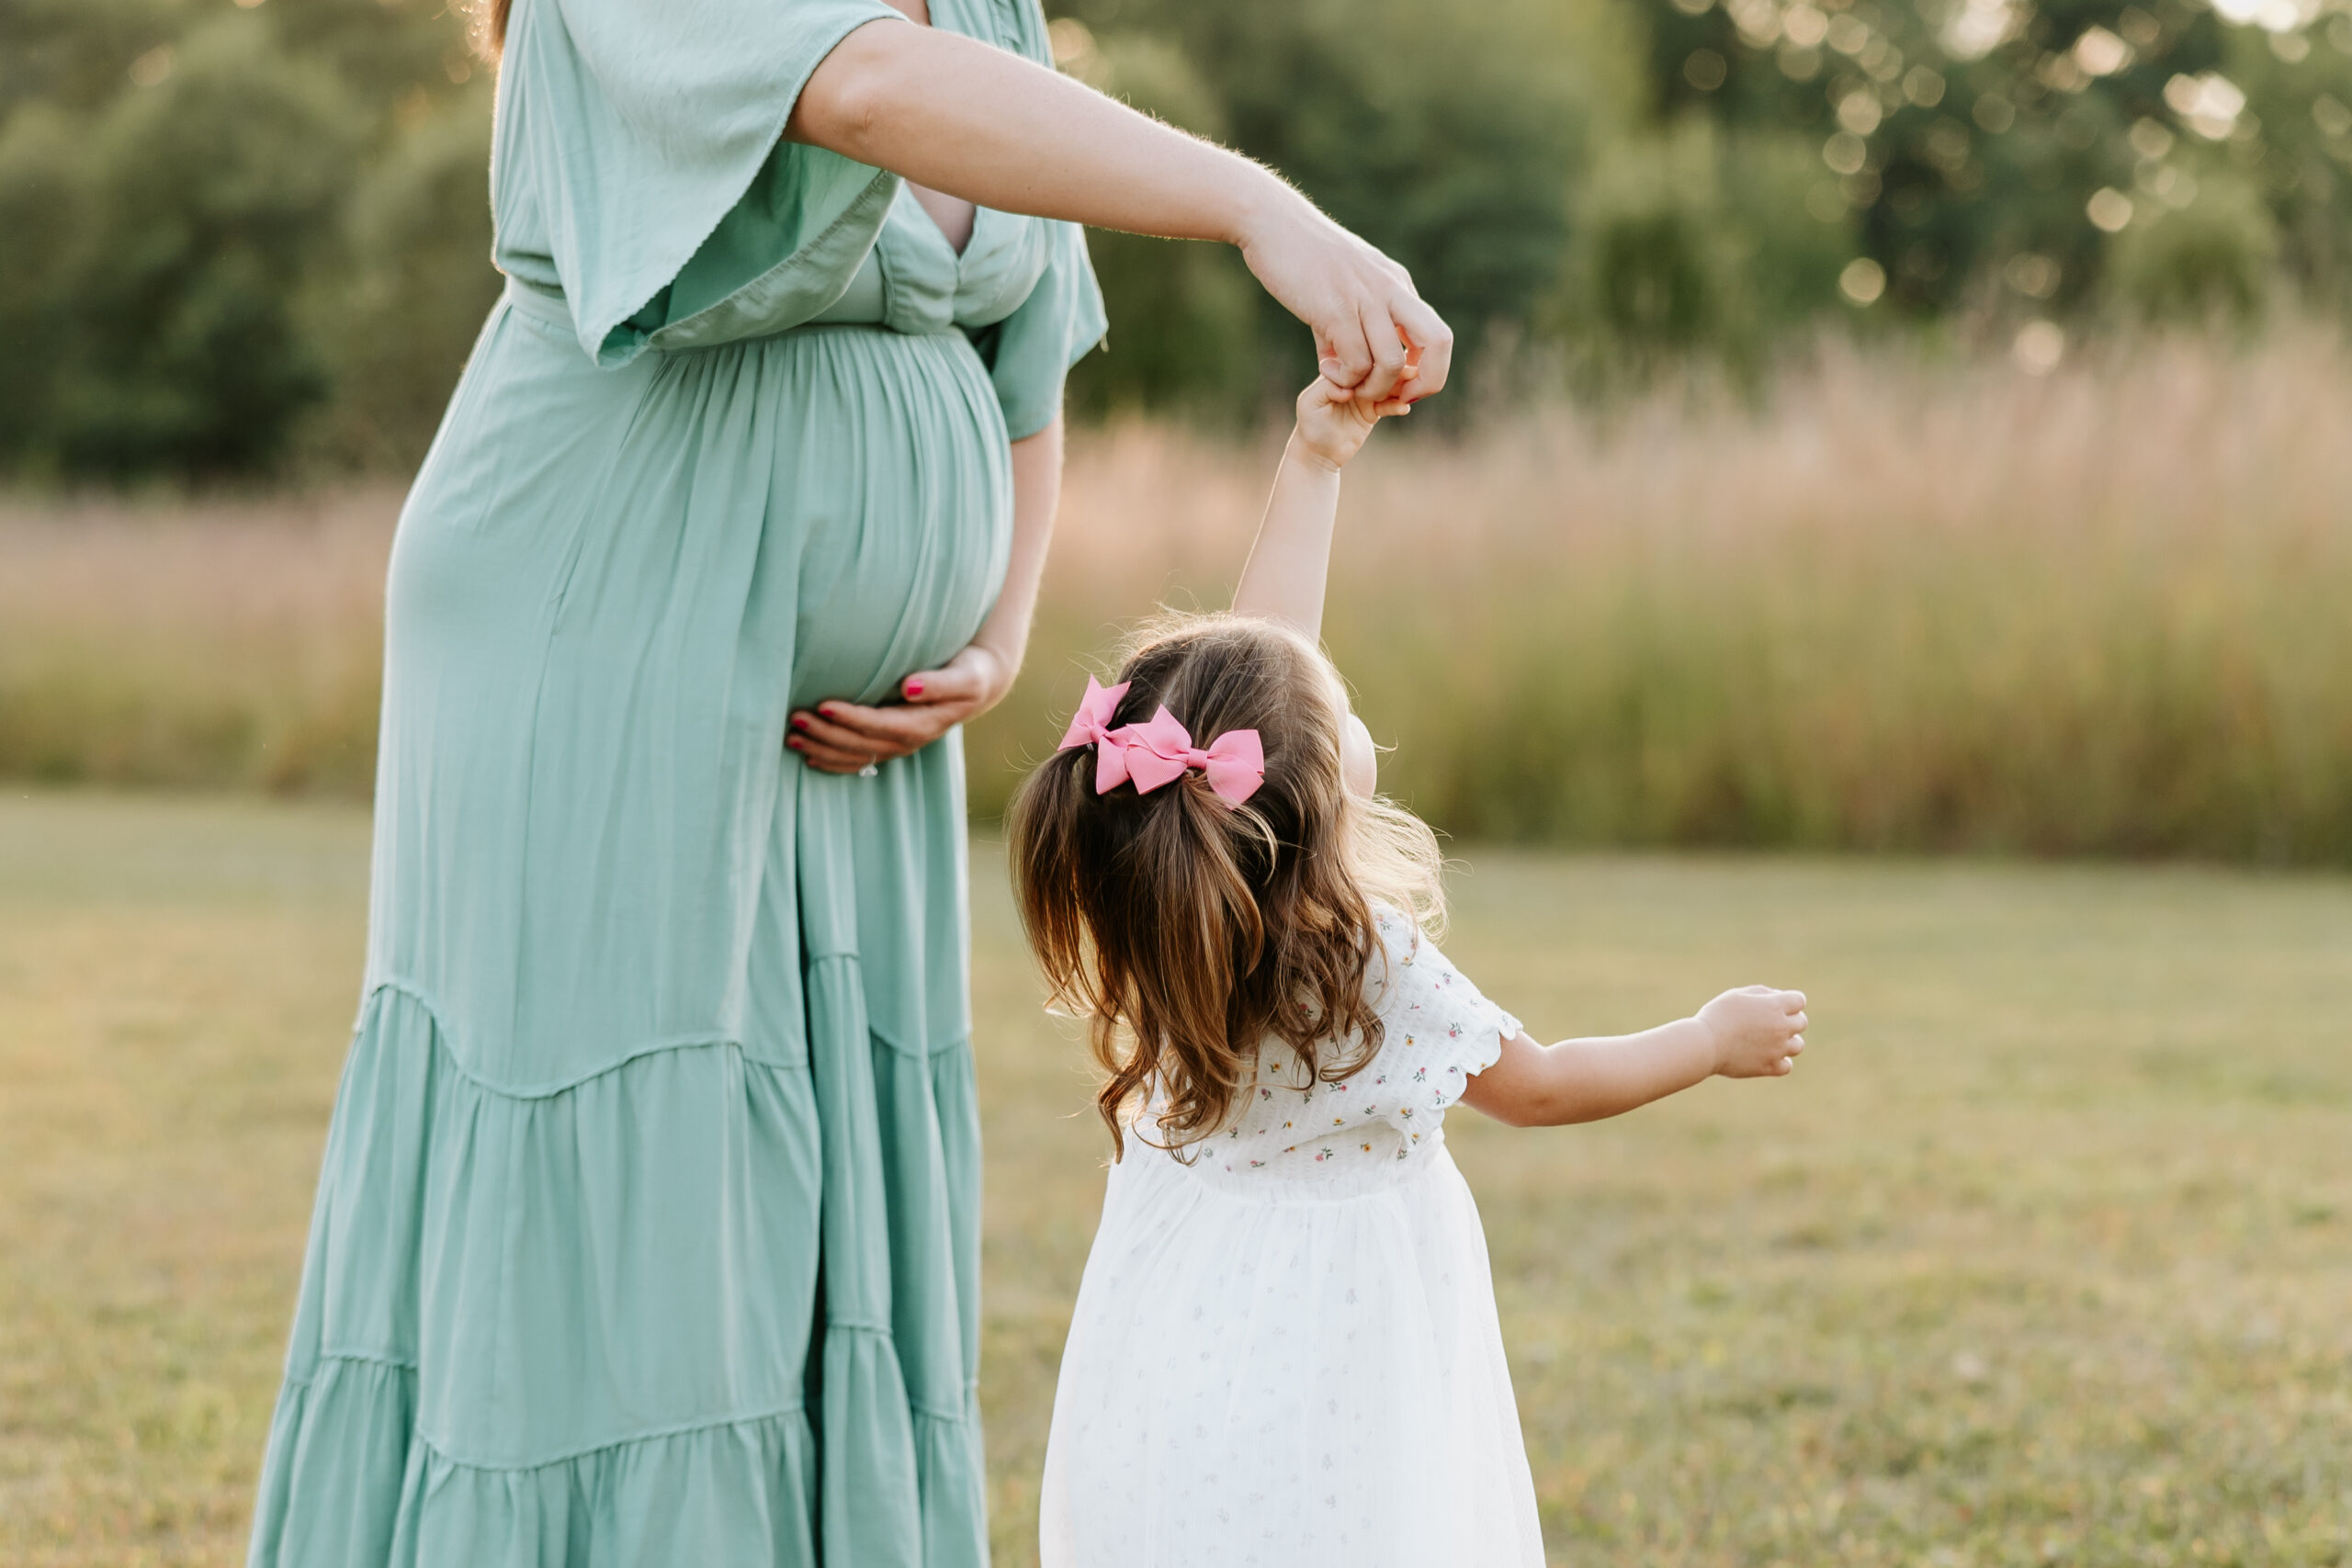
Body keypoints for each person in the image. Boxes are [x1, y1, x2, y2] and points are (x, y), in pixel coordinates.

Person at [243, 0, 1454, 1562]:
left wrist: (1001, 627)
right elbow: (867, 90)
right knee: (644, 1176)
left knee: (820, 1181)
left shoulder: (991, 8)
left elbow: (1020, 356)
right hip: (602, 613)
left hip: (861, 725)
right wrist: (1260, 207)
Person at [1007, 372, 1813, 1567]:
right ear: (1315, 782)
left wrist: (1315, 460)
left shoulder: (1178, 915)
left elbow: (1262, 666)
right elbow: (1536, 1087)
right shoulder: (1357, 962)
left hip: (1187, 1319)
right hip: (1345, 1329)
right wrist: (1706, 1038)